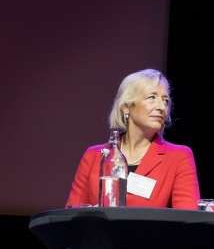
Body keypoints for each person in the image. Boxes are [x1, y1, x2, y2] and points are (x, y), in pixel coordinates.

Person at [66, 68, 201, 209]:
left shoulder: (178, 157)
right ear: (126, 107)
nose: (161, 107)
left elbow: (187, 218)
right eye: (152, 97)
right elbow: (72, 214)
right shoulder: (93, 156)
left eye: (165, 100)